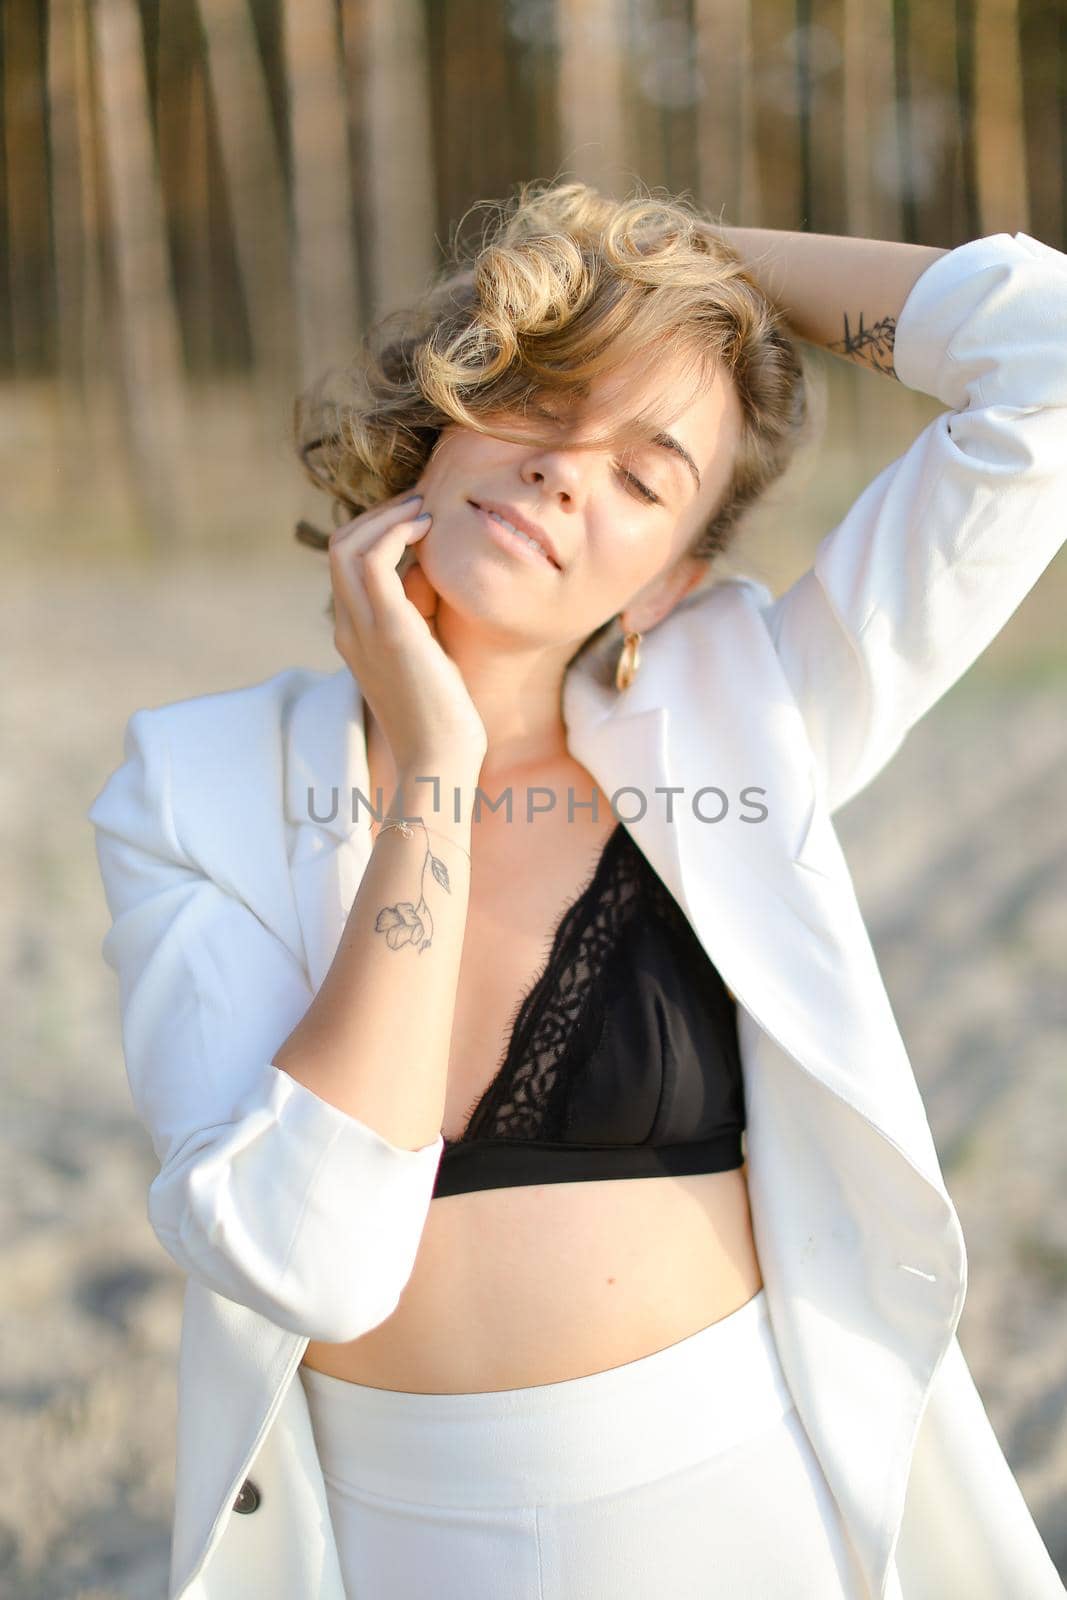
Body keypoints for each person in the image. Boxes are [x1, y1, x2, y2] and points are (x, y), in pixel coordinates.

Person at [88, 180, 1067, 1600]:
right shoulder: (195, 786)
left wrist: (682, 263)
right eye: (547, 400)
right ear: (451, 406)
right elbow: (307, 1263)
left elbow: (1042, 357)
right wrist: (432, 762)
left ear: (669, 584)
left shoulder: (752, 717)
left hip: (743, 1524)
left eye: (645, 474)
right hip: (391, 1548)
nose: (567, 471)